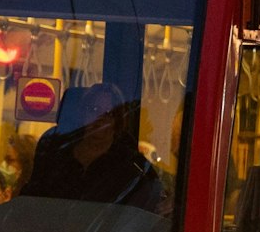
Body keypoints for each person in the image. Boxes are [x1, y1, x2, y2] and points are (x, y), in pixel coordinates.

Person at [18, 83, 162, 211]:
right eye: (93, 109)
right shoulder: (55, 152)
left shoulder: (129, 164)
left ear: (117, 121)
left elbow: (151, 200)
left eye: (109, 113)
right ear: (82, 114)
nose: (100, 119)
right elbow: (32, 198)